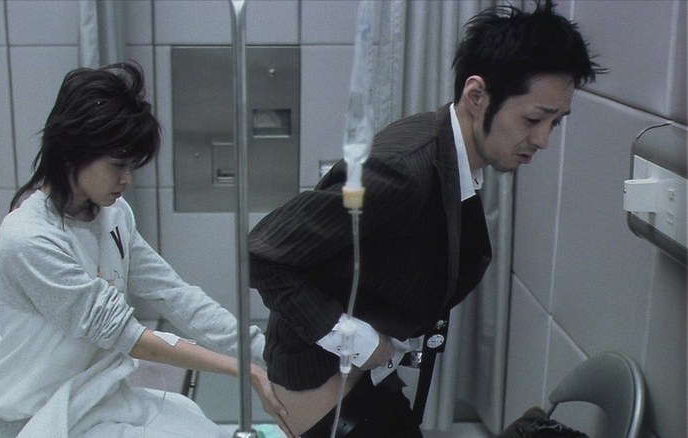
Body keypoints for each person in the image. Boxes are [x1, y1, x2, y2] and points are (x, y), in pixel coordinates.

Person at [248, 1, 605, 437]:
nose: (543, 139)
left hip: (366, 375)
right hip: (323, 384)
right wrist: (357, 341)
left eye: (556, 123)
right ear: (477, 96)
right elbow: (264, 253)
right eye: (533, 119)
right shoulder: (404, 169)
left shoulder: (450, 157)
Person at [0, 61, 290, 438]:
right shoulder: (29, 238)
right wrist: (246, 369)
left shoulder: (114, 215)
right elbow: (128, 336)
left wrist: (264, 350)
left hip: (95, 397)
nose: (126, 178)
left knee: (203, 430)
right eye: (117, 165)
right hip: (31, 413)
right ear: (73, 151)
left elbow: (175, 296)